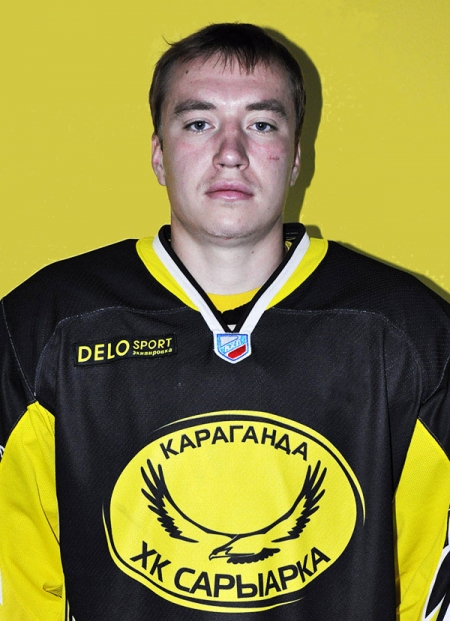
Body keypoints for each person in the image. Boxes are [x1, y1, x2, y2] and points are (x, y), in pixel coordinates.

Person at [0, 22, 449, 621]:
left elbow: (430, 579)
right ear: (159, 154)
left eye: (261, 124)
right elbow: (18, 578)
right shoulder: (44, 327)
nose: (230, 152)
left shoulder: (407, 333)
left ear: (295, 156)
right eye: (198, 123)